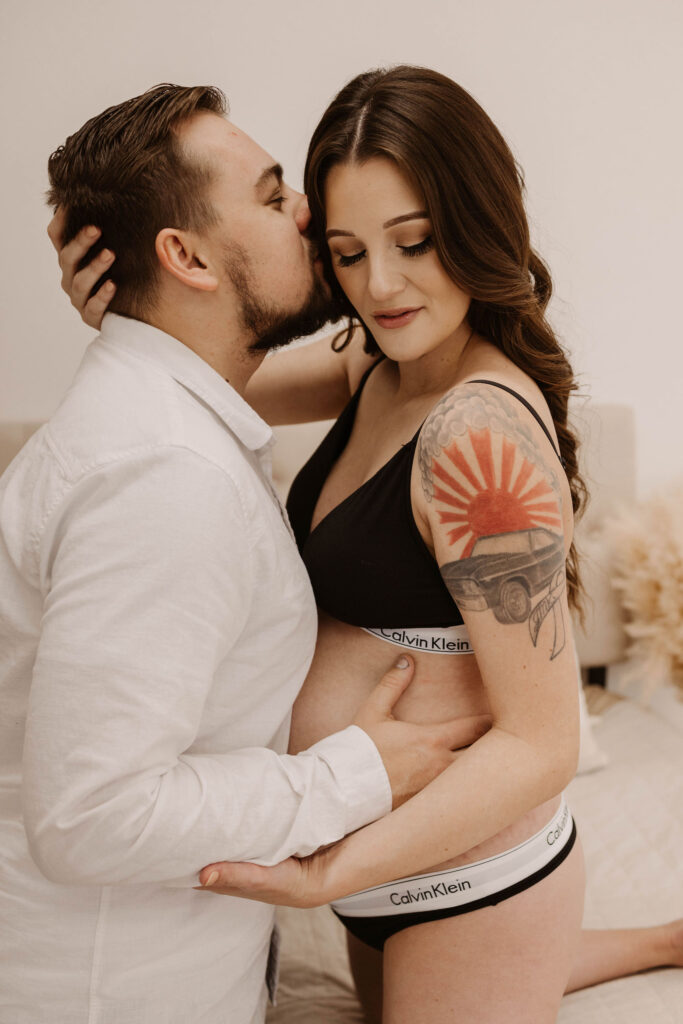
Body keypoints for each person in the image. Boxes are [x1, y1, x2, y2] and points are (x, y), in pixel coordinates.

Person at [52, 70, 682, 1023]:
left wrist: (324, 874)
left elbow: (544, 742)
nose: (379, 286)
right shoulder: (375, 361)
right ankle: (646, 943)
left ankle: (551, 936)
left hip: (463, 875)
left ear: (476, 223)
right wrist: (128, 306)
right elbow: (203, 383)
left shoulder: (480, 438)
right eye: (345, 253)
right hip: (375, 850)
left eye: (414, 243)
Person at [0, 84, 492, 1024]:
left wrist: (139, 319)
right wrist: (353, 779)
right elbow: (88, 817)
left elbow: (368, 361)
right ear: (183, 256)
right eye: (273, 197)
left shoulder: (161, 409)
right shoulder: (161, 475)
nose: (309, 210)